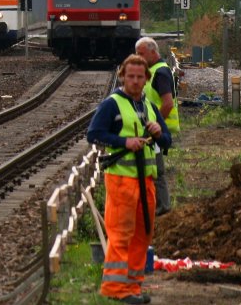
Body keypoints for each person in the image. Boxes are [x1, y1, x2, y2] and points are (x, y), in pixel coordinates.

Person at [87, 54, 171, 304]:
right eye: (130, 76)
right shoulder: (112, 105)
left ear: (146, 79)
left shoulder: (149, 107)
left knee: (142, 235)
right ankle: (115, 287)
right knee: (121, 234)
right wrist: (124, 142)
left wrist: (158, 132)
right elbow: (93, 134)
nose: (135, 81)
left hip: (146, 182)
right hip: (122, 181)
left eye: (140, 77)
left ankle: (133, 286)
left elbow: (167, 141)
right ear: (122, 77)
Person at [135, 36, 179, 215]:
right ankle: (156, 205)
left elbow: (167, 103)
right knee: (152, 169)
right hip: (154, 130)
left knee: (157, 171)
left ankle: (162, 207)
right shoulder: (153, 69)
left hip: (157, 131)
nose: (138, 57)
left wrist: (156, 125)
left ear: (153, 52)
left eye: (141, 54)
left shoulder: (160, 72)